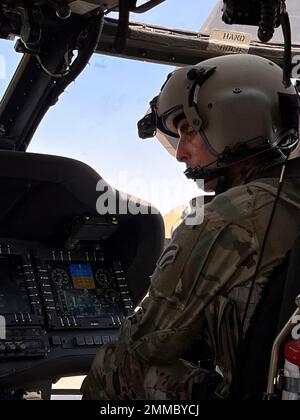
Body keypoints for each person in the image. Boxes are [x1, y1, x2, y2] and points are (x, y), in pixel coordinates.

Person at [81, 54, 300, 400]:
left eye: (188, 130)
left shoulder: (224, 216)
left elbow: (148, 342)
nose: (181, 152)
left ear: (235, 119)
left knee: (117, 364)